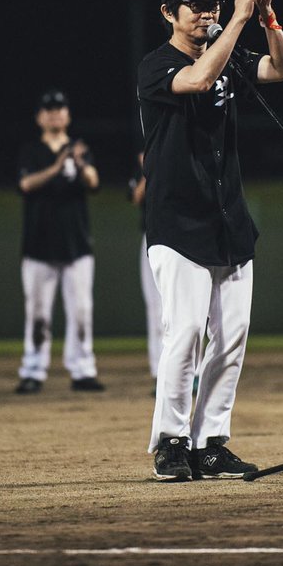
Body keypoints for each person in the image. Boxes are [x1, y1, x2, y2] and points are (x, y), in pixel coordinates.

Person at [138, 0, 283, 481]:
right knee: (184, 334)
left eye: (215, 3)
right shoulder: (156, 65)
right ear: (168, 13)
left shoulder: (228, 52)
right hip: (177, 224)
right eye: (196, 5)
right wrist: (238, 21)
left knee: (231, 337)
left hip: (228, 222)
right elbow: (200, 79)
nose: (208, 12)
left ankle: (210, 443)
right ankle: (171, 443)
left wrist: (267, 18)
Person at [14, 89, 103, 394]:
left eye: (59, 108)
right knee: (37, 315)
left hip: (77, 245)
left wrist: (77, 162)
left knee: (81, 311)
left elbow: (94, 182)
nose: (54, 114)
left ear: (67, 115)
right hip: (38, 246)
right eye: (48, 109)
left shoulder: (78, 150)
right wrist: (56, 165)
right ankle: (33, 370)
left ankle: (83, 370)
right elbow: (25, 183)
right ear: (39, 117)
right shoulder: (31, 151)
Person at [128, 152, 162, 391]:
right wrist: (150, 167)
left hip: (187, 233)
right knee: (155, 308)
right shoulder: (146, 162)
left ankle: (196, 373)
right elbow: (137, 197)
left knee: (193, 310)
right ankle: (161, 373)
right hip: (152, 235)